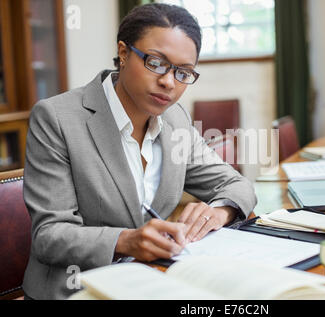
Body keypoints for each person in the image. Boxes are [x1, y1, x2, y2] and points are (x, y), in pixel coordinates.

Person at [22, 3, 257, 300]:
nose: (168, 82)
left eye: (183, 73)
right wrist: (126, 240)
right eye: (156, 63)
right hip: (75, 289)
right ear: (123, 53)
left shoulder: (176, 119)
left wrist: (219, 211)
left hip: (150, 280)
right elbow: (49, 235)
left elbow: (237, 184)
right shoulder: (57, 118)